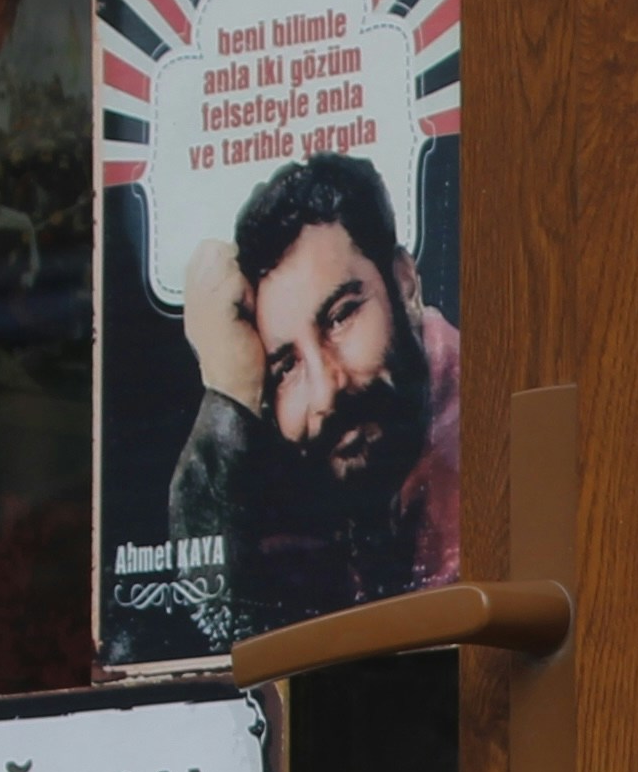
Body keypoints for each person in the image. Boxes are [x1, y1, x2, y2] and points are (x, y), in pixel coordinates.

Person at [103, 151, 459, 663]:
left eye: (341, 317)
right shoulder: (303, 474)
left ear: (404, 283)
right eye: (285, 368)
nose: (325, 390)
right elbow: (215, 646)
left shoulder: (482, 444)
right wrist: (226, 394)